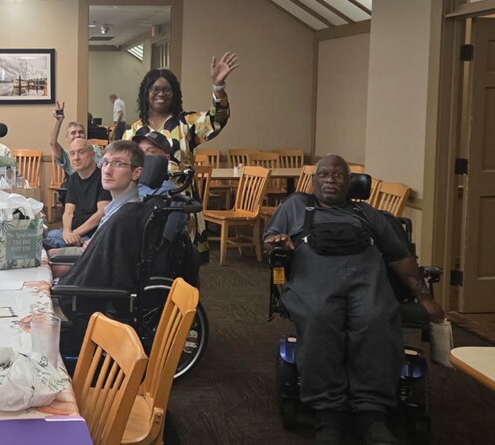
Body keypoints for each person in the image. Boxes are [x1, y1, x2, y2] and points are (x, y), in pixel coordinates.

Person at [263, 155, 446, 445]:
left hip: (366, 282)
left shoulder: (370, 215)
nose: (330, 180)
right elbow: (270, 240)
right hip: (313, 282)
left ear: (350, 183)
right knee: (321, 319)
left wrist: (423, 295)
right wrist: (278, 243)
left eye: (338, 175)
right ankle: (328, 415)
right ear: (313, 181)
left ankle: (371, 414)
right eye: (323, 175)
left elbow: (400, 257)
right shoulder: (295, 206)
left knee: (376, 320)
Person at [123, 52, 239, 259]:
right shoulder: (133, 131)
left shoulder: (187, 123)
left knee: (183, 256)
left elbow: (217, 120)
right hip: (144, 199)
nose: (161, 94)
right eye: (155, 89)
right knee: (146, 253)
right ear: (146, 93)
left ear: (174, 93)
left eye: (167, 89)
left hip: (181, 197)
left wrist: (218, 86)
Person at [56, 141, 145, 290]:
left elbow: (105, 274)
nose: (107, 171)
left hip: (87, 294)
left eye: (118, 164)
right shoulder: (116, 208)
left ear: (136, 173)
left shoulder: (125, 217)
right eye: (105, 163)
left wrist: (59, 285)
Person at [43, 138, 110, 249]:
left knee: (49, 244)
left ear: (93, 155)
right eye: (72, 153)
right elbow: (68, 212)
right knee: (47, 236)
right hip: (74, 231)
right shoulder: (73, 179)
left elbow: (101, 214)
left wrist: (74, 234)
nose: (76, 158)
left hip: (92, 234)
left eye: (81, 152)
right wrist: (67, 232)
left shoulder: (103, 178)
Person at [49, 101, 102, 176]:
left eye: (81, 132)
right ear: (67, 138)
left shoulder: (95, 150)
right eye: (73, 133)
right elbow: (53, 143)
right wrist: (59, 121)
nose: (77, 135)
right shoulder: (67, 156)